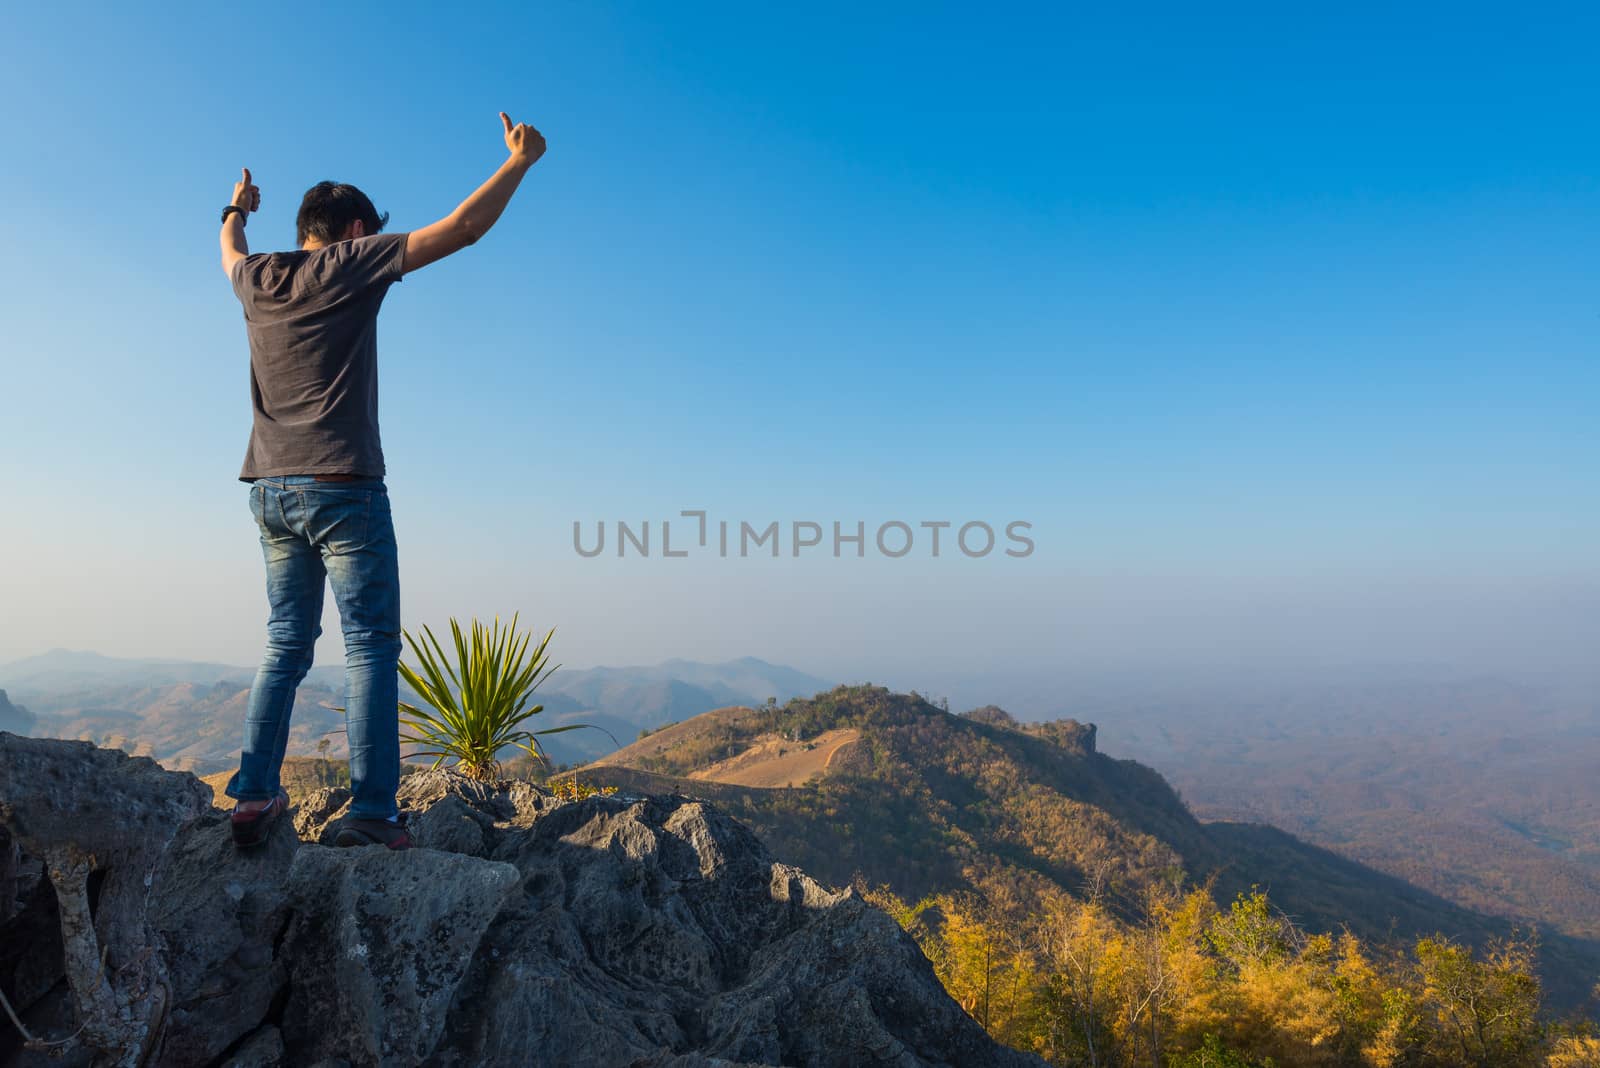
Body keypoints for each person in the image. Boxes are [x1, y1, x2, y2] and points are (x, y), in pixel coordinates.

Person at [219, 113, 547, 849]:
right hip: (343, 485)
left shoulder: (258, 279)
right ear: (358, 227)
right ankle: (372, 812)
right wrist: (520, 163)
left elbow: (227, 247)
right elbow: (461, 229)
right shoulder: (352, 264)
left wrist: (238, 205)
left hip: (269, 490)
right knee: (368, 646)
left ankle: (252, 797)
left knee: (284, 645)